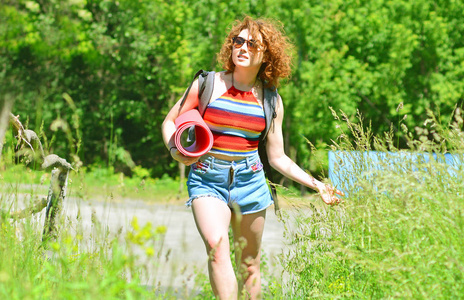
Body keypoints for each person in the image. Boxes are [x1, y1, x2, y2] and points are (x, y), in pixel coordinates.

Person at [162, 16, 343, 300]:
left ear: (266, 54)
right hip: (208, 178)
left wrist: (317, 184)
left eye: (252, 43)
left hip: (251, 181)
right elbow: (170, 122)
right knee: (217, 246)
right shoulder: (206, 83)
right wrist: (176, 150)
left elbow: (278, 158)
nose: (242, 47)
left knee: (249, 265)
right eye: (238, 41)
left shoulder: (271, 100)